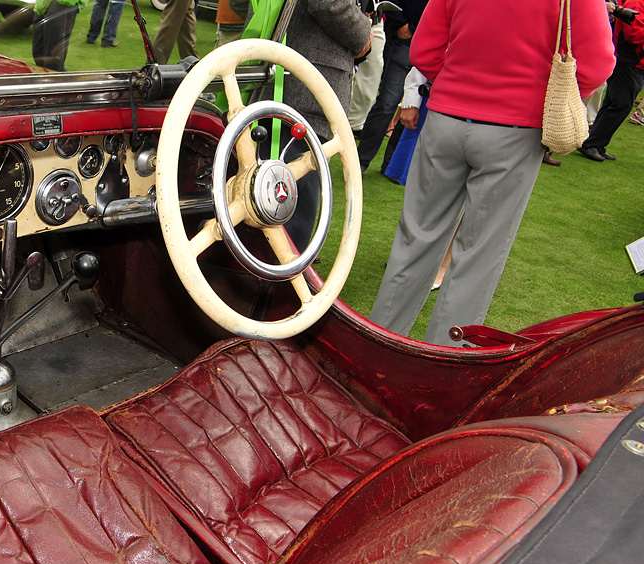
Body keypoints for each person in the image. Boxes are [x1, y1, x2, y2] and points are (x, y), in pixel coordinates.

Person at [368, 0, 614, 346]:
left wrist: (458, 83)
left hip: (447, 118)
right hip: (514, 129)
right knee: (478, 259)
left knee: (415, 241)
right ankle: (443, 369)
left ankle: (377, 348)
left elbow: (424, 49)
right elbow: (599, 64)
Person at [263, 0, 372, 249]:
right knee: (288, 207)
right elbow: (328, 3)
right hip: (303, 87)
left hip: (284, 75)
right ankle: (276, 284)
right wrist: (363, 30)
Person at [354, 0, 427, 172]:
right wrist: (401, 24)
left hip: (429, 43)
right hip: (406, 40)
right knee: (387, 103)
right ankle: (360, 161)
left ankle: (393, 166)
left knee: (416, 106)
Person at [578, 0, 644, 162]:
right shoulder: (636, 2)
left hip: (633, 60)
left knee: (614, 102)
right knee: (620, 104)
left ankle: (596, 143)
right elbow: (632, 33)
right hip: (628, 59)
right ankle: (592, 143)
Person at [33, 0, 86, 71]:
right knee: (38, 54)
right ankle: (52, 78)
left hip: (62, 3)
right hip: (42, 5)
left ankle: (56, 79)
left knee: (52, 59)